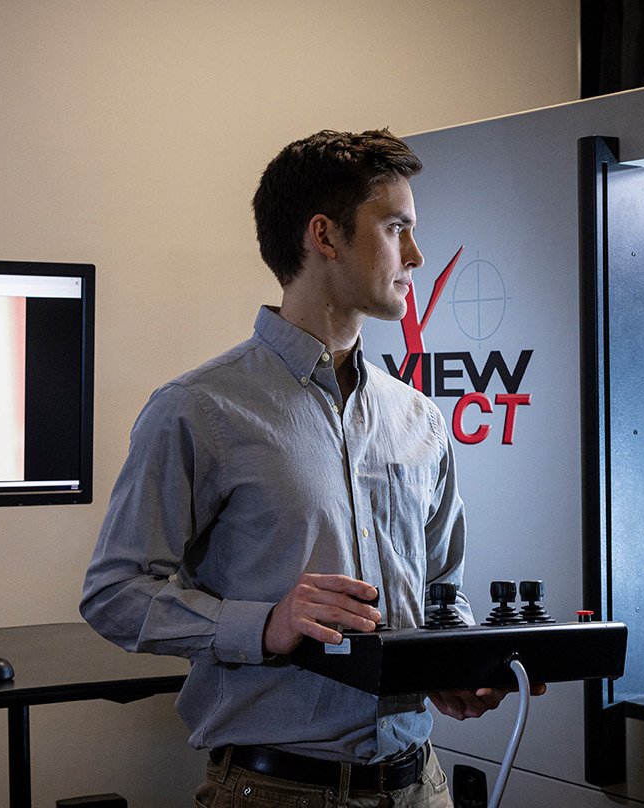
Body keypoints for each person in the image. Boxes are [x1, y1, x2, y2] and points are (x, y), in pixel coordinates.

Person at [81, 129, 518, 807]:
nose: (417, 255)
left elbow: (442, 591)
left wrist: (455, 664)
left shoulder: (419, 419)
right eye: (398, 227)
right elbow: (113, 592)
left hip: (419, 785)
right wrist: (266, 624)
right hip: (276, 791)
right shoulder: (199, 408)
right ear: (326, 236)